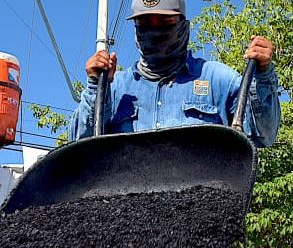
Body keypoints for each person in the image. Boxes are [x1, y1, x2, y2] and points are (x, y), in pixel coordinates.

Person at [69, 0, 280, 147]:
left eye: (164, 22)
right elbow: (80, 147)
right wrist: (96, 87)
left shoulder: (218, 80)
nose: (154, 32)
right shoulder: (115, 90)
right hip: (126, 208)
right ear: (136, 28)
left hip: (202, 209)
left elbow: (263, 135)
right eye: (145, 24)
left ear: (183, 26)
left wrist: (262, 74)